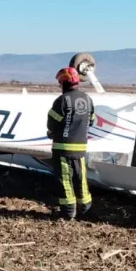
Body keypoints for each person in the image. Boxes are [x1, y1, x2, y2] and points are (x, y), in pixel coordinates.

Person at [46, 66, 95, 219]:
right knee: (81, 179)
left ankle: (68, 212)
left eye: (60, 83)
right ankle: (85, 208)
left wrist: (53, 132)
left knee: (65, 180)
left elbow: (52, 123)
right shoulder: (87, 99)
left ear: (63, 82)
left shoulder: (62, 100)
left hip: (63, 148)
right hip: (81, 148)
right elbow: (91, 120)